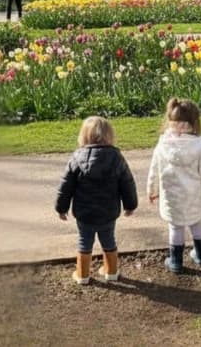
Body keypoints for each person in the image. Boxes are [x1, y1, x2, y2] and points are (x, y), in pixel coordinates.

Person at [56, 116, 138, 285]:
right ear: (110, 136)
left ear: (84, 136)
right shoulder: (117, 157)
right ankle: (111, 272)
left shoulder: (77, 157)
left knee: (84, 241)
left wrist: (61, 208)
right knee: (109, 239)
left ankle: (82, 275)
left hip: (84, 213)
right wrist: (130, 205)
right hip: (108, 212)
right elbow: (127, 183)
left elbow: (66, 186)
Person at [147, 98, 201, 273]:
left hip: (172, 198)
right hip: (194, 197)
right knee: (196, 223)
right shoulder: (200, 145)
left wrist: (152, 190)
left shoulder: (163, 144)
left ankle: (175, 261)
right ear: (194, 122)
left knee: (175, 227)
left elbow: (154, 170)